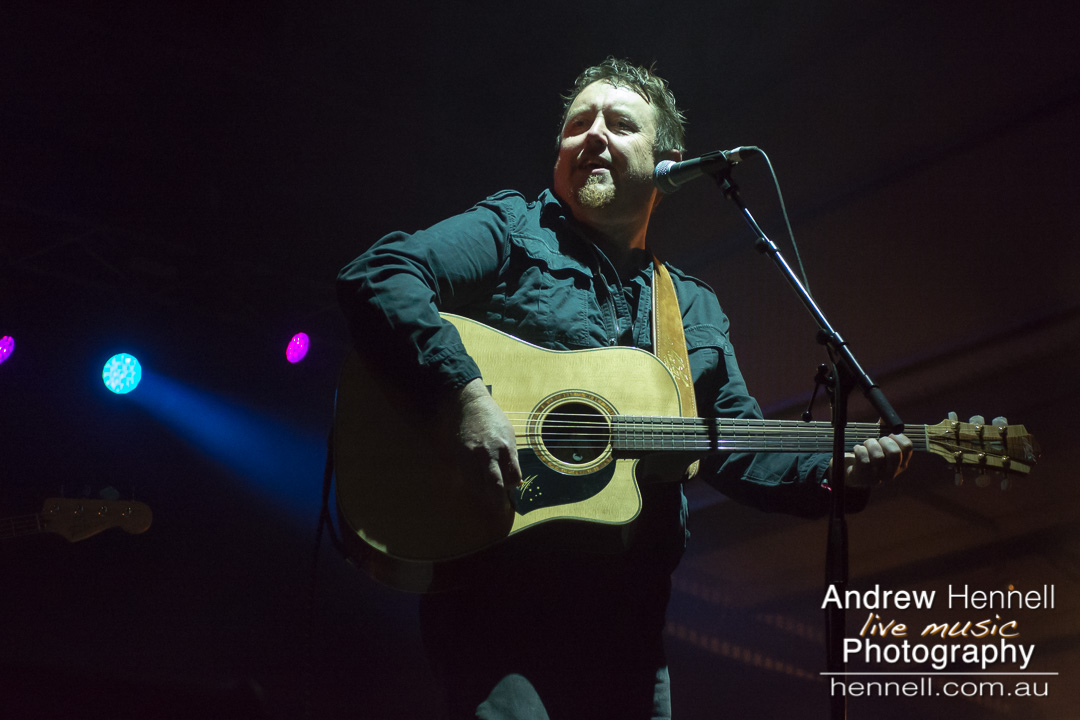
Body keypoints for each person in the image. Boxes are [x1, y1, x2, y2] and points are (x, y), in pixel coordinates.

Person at [337, 58, 912, 720]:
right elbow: (380, 274)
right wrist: (464, 395)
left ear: (669, 164)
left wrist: (838, 471)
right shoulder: (512, 230)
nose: (593, 135)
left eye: (619, 123)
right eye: (578, 123)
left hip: (630, 633)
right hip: (498, 604)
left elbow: (736, 447)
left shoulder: (689, 309)